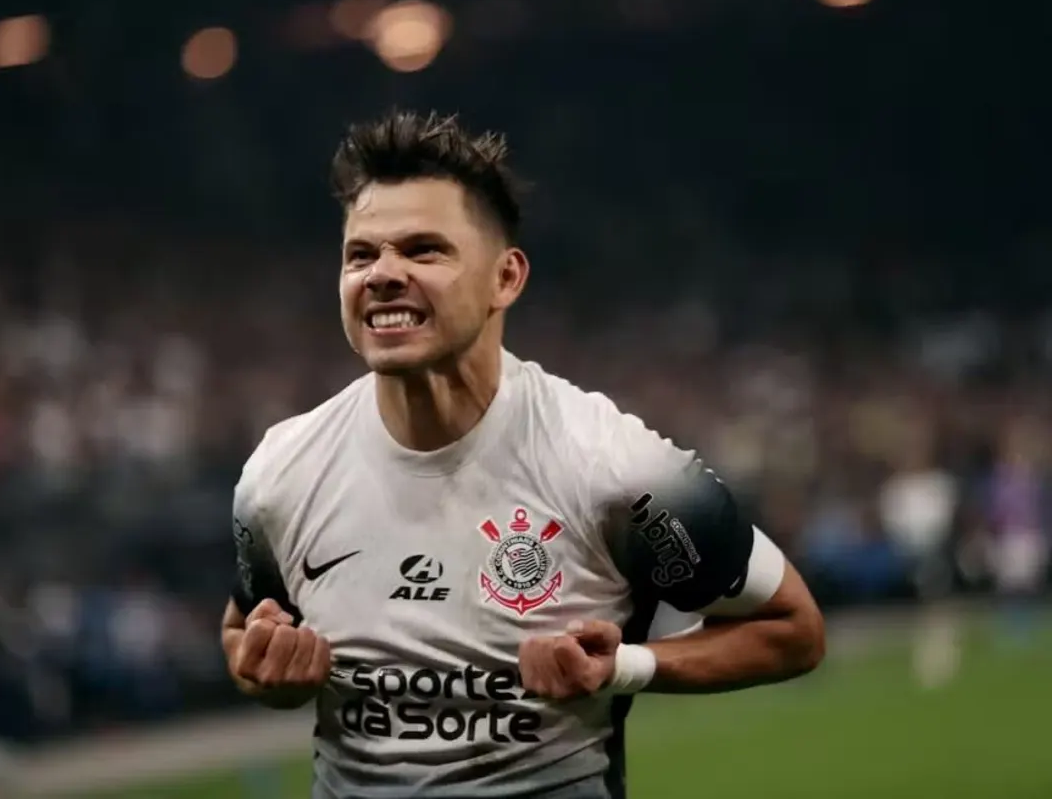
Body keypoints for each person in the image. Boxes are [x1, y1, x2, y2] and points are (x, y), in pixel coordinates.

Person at [220, 110, 826, 799]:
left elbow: (794, 629)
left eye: (423, 250)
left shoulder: (615, 468)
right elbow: (246, 630)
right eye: (361, 254)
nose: (383, 274)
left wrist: (626, 666)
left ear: (505, 279)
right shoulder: (281, 473)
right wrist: (263, 670)